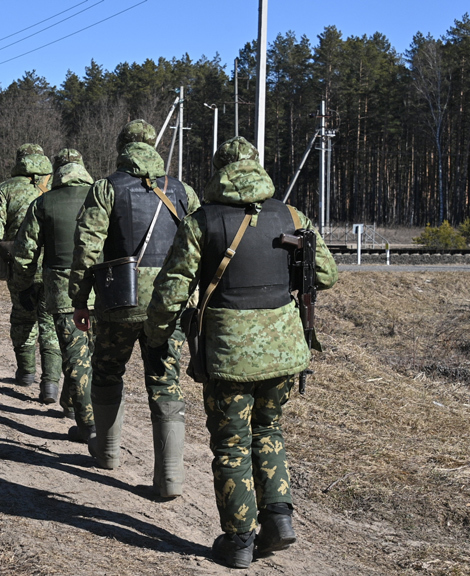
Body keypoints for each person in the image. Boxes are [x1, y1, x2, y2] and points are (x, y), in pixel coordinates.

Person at [144, 137, 338, 568]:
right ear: (256, 166)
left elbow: (172, 292)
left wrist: (157, 337)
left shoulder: (202, 222)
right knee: (269, 430)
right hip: (284, 350)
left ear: (219, 171)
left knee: (232, 445)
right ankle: (279, 519)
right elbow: (326, 275)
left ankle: (238, 541)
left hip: (230, 353)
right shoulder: (292, 216)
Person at [68, 120, 200, 499]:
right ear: (153, 147)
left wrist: (80, 299)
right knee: (165, 379)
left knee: (108, 370)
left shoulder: (106, 188)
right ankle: (170, 478)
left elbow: (87, 247)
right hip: (169, 303)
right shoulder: (182, 191)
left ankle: (107, 452)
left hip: (119, 301)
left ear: (122, 148)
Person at [10, 149, 96, 434]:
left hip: (62, 290)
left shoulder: (44, 202)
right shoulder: (102, 196)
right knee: (93, 356)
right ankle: (72, 405)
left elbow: (25, 252)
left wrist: (22, 285)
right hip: (104, 288)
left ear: (56, 171)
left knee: (74, 356)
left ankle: (88, 425)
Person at [0, 143, 61, 393]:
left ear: (19, 161)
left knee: (23, 317)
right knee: (50, 322)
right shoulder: (58, 186)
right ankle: (51, 383)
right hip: (54, 266)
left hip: (17, 265)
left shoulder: (7, 189)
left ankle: (25, 373)